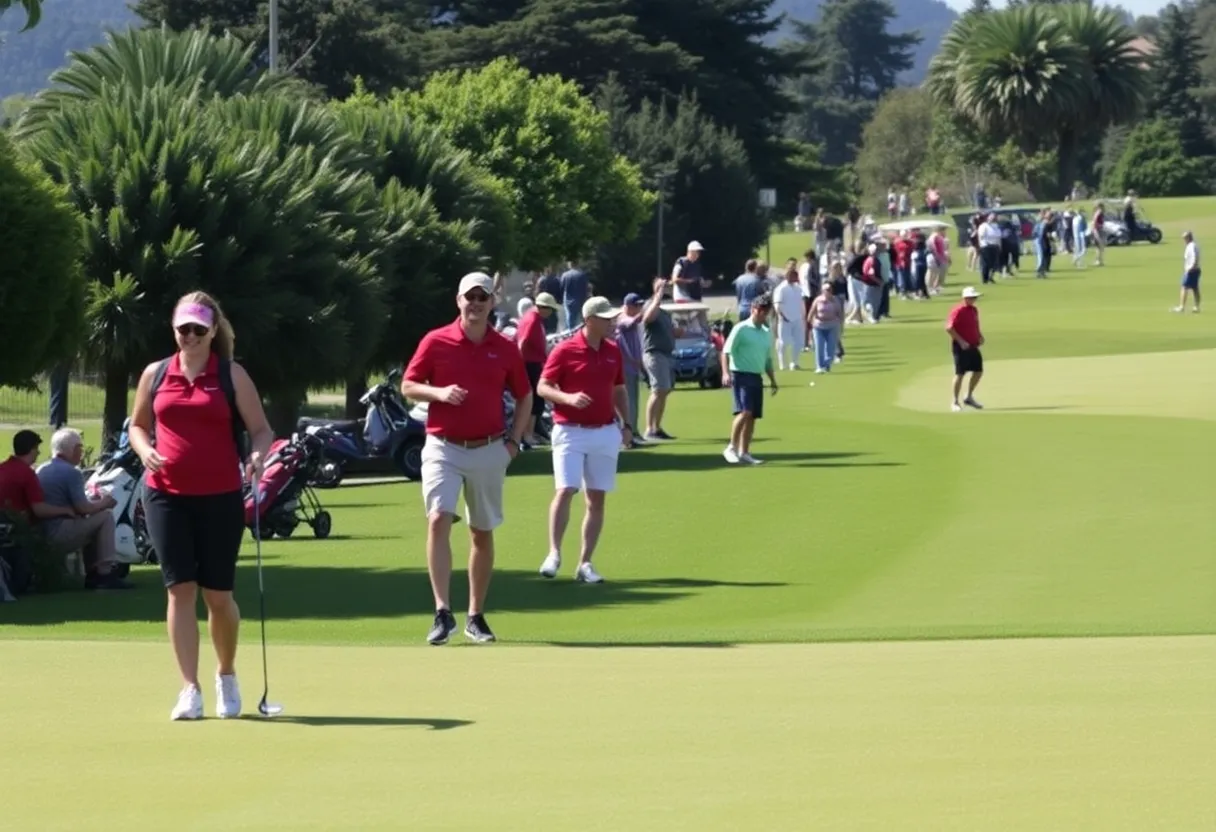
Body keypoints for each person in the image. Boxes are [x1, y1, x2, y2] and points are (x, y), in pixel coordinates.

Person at [127, 291, 274, 721]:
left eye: (197, 329)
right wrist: (144, 451)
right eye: (182, 329)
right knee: (179, 590)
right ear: (173, 329)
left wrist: (258, 456)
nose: (189, 336)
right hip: (165, 494)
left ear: (213, 331)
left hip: (220, 496)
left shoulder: (231, 375)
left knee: (218, 595)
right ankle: (189, 688)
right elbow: (138, 425)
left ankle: (225, 674)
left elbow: (261, 430)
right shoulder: (155, 374)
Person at [402, 272, 532, 646]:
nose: (475, 302)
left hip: (490, 448)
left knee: (481, 530)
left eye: (482, 297)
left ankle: (475, 615)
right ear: (458, 300)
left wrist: (513, 443)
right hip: (443, 446)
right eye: (469, 296)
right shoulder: (436, 340)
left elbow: (524, 397)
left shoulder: (505, 347)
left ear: (492, 302)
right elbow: (409, 385)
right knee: (439, 518)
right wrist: (439, 393)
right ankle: (442, 612)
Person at [537, 297, 631, 584]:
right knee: (566, 488)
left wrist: (627, 424)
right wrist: (568, 398)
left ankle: (585, 563)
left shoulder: (613, 350)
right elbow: (543, 386)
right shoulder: (565, 350)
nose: (611, 322)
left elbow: (619, 390)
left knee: (596, 499)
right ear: (589, 320)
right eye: (606, 318)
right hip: (570, 430)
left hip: (604, 431)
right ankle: (553, 553)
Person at [36, 427, 132, 590]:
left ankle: (94, 572)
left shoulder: (42, 469)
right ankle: (104, 572)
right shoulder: (71, 472)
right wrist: (104, 502)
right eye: (79, 448)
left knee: (93, 522)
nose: (81, 453)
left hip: (44, 529)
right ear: (72, 449)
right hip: (60, 531)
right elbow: (83, 508)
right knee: (105, 517)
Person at [721, 293, 778, 465]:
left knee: (752, 416)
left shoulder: (766, 333)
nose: (762, 313)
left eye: (765, 311)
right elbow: (725, 351)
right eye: (759, 310)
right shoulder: (741, 328)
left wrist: (773, 381)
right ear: (753, 309)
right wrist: (725, 373)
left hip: (756, 376)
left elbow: (767, 360)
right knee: (744, 412)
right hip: (740, 374)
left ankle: (744, 452)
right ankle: (731, 447)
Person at [0, 429, 78, 529]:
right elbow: (39, 510)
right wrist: (65, 510)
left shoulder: (3, 467)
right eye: (37, 449)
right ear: (32, 450)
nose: (38, 452)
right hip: (16, 528)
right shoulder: (27, 474)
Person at [515, 291, 560, 446]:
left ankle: (528, 435)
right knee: (534, 401)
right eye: (550, 309)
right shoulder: (533, 319)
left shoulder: (531, 317)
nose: (550, 313)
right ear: (544, 307)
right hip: (530, 364)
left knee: (535, 401)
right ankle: (526, 435)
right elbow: (523, 342)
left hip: (532, 363)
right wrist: (519, 366)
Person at [640, 278, 682, 441]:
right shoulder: (650, 305)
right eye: (663, 287)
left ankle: (657, 427)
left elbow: (671, 331)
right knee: (657, 390)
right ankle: (649, 429)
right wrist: (657, 295)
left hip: (666, 354)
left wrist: (677, 332)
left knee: (664, 391)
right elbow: (648, 318)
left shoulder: (664, 312)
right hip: (654, 353)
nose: (666, 290)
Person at [945, 286, 986, 412]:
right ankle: (955, 401)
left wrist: (979, 335)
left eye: (975, 297)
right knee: (960, 374)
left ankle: (968, 397)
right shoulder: (958, 310)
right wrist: (961, 341)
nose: (974, 299)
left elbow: (975, 325)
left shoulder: (974, 310)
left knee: (978, 371)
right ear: (965, 298)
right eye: (971, 298)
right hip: (960, 346)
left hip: (973, 345)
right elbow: (949, 328)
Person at [614, 293, 647, 445]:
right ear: (627, 306)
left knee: (634, 401)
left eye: (640, 305)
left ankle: (633, 432)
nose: (639, 308)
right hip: (625, 368)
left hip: (633, 368)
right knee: (627, 402)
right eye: (636, 306)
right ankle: (628, 435)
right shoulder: (622, 319)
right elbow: (632, 322)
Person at [772, 264, 804, 370]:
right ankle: (782, 363)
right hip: (785, 319)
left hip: (797, 318)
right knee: (783, 342)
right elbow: (777, 304)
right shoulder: (781, 288)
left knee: (798, 342)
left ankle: (794, 362)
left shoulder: (798, 288)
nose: (795, 278)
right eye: (793, 275)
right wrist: (781, 316)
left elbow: (800, 302)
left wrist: (802, 315)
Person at [808, 281, 843, 374]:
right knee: (819, 347)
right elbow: (811, 313)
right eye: (826, 290)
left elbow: (840, 314)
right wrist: (810, 326)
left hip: (832, 326)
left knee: (830, 350)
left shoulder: (836, 301)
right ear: (822, 291)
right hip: (819, 326)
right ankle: (819, 366)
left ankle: (827, 364)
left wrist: (841, 327)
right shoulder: (818, 300)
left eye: (830, 290)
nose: (828, 291)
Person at [559, 261, 591, 329]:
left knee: (569, 318)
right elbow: (586, 288)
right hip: (580, 300)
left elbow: (561, 288)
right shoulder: (582, 275)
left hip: (568, 300)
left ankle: (570, 333)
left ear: (570, 265)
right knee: (580, 320)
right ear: (577, 264)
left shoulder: (565, 275)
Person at [1176, 230, 1202, 313]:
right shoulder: (1193, 245)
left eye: (1184, 238)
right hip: (1195, 269)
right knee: (1195, 288)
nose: (1184, 240)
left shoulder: (1191, 246)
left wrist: (1191, 267)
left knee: (1184, 287)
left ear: (1188, 238)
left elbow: (1195, 257)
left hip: (1192, 270)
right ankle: (1196, 307)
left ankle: (1182, 307)